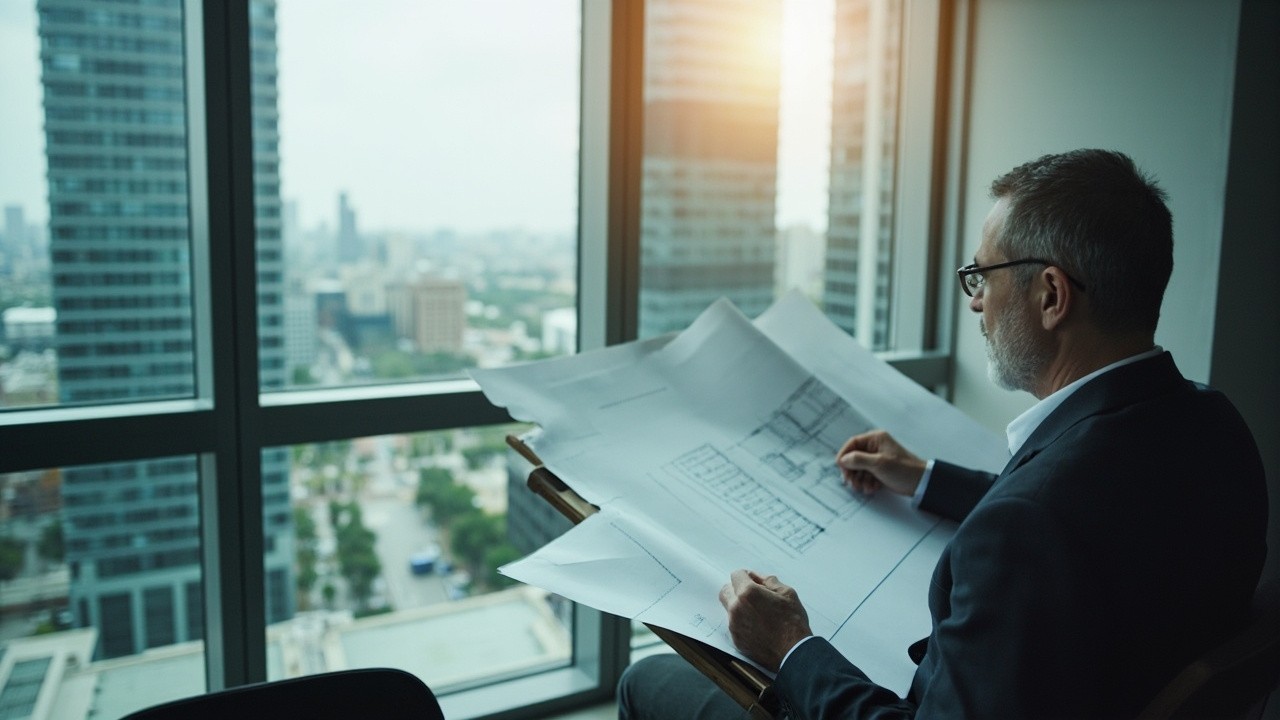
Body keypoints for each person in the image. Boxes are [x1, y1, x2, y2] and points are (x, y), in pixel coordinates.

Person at [618, 149, 1268, 719]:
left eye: (983, 276)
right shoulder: (1214, 426)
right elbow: (1089, 511)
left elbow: (1041, 520)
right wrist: (927, 478)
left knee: (649, 679)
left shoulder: (1028, 524)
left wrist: (793, 646)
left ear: (1051, 296)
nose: (975, 301)